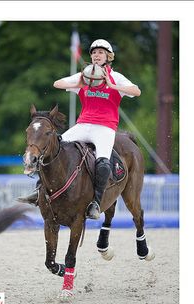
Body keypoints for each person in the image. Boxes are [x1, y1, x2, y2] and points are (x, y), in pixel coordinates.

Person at [19, 39, 141, 219]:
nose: (96, 55)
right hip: (83, 125)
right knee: (53, 148)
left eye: (100, 52)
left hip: (105, 127)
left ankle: (96, 203)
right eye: (94, 52)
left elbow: (136, 91)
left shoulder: (117, 77)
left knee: (103, 162)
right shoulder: (83, 76)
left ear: (108, 56)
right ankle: (39, 190)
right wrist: (79, 84)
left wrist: (112, 85)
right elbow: (57, 83)